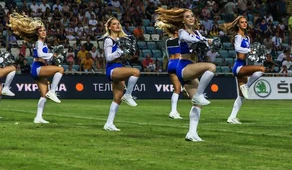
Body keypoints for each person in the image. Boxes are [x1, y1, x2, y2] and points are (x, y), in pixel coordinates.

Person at [155, 8, 216, 141]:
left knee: (197, 104)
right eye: (187, 17)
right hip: (183, 66)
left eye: (192, 16)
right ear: (183, 20)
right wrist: (204, 41)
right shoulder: (183, 32)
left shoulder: (197, 33)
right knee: (211, 67)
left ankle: (191, 133)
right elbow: (186, 38)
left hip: (190, 68)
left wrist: (211, 42)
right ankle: (199, 95)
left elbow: (204, 40)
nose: (190, 18)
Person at [9, 13, 64, 124]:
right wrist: (52, 55)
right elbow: (39, 54)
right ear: (37, 33)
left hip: (39, 69)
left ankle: (38, 117)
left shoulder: (43, 44)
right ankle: (53, 91)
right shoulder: (39, 43)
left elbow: (46, 58)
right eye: (40, 31)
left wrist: (54, 58)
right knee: (60, 70)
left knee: (44, 95)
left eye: (44, 30)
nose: (43, 32)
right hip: (37, 68)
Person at [221, 15, 265, 124]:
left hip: (244, 65)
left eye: (245, 22)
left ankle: (232, 117)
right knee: (261, 69)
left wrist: (255, 55)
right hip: (238, 66)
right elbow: (238, 48)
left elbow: (248, 54)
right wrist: (249, 50)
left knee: (241, 96)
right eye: (242, 22)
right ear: (238, 24)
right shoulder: (237, 36)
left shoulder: (247, 38)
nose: (244, 24)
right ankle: (247, 86)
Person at [102, 17, 141, 131]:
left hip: (120, 67)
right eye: (114, 24)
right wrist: (120, 51)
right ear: (109, 27)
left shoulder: (122, 39)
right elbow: (108, 58)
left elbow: (125, 56)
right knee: (135, 71)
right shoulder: (109, 40)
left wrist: (129, 54)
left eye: (118, 23)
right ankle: (128, 95)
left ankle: (109, 123)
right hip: (112, 69)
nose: (117, 25)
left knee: (117, 98)